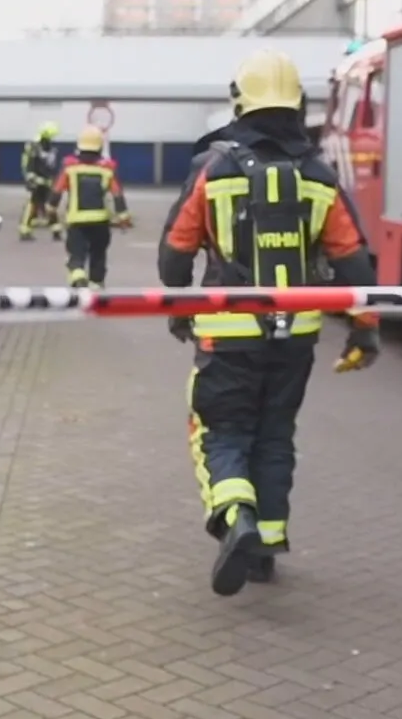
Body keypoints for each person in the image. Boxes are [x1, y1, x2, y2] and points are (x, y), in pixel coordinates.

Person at [158, 49, 381, 596]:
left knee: (219, 429)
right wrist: (364, 329)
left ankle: (236, 519)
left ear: (240, 102)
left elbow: (174, 254)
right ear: (297, 104)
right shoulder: (319, 176)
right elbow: (353, 261)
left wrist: (181, 306)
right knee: (275, 435)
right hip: (295, 337)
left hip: (227, 334)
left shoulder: (212, 169)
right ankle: (265, 552)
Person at [53, 125, 130, 288]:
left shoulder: (70, 169)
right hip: (100, 222)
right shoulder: (107, 170)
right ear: (100, 147)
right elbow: (117, 195)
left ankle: (78, 275)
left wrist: (50, 208)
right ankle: (96, 284)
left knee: (76, 253)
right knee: (98, 254)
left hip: (76, 221)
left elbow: (57, 190)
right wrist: (123, 217)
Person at [19, 122, 63, 241]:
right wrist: (30, 179)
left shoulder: (52, 149)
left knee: (50, 206)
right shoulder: (34, 147)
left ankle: (56, 231)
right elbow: (29, 165)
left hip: (47, 182)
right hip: (37, 182)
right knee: (33, 206)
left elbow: (52, 166)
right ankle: (25, 230)